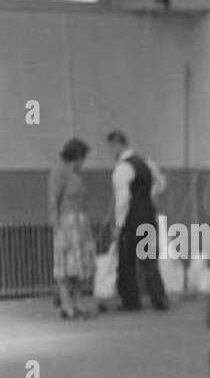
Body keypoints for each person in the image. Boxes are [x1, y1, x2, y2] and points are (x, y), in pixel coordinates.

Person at [106, 130, 168, 311]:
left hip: (131, 220)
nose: (110, 152)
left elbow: (122, 199)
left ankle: (131, 301)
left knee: (126, 261)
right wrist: (150, 195)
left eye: (110, 148)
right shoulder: (146, 162)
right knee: (149, 260)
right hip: (148, 215)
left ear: (116, 144)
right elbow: (161, 183)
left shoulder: (122, 168)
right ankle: (159, 299)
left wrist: (118, 225)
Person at [49, 138, 98, 319]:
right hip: (66, 224)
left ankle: (78, 302)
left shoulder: (77, 174)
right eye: (82, 158)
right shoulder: (58, 172)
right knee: (64, 267)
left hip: (81, 224)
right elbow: (53, 202)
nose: (83, 162)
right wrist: (57, 230)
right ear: (75, 156)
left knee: (80, 267)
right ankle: (66, 305)